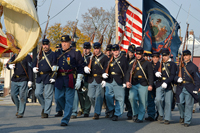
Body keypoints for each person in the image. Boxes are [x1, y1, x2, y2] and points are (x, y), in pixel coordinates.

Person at [54, 35, 84, 126]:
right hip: (59, 78)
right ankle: (68, 110)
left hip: (70, 77)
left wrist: (79, 80)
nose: (64, 44)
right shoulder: (57, 52)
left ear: (70, 43)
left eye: (66, 43)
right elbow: (53, 62)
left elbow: (80, 67)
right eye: (62, 43)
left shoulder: (76, 53)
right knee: (58, 97)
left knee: (69, 99)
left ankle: (65, 119)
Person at [126, 47, 154, 123]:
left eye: (139, 54)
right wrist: (127, 82)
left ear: (142, 54)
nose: (138, 55)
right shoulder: (133, 63)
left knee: (142, 101)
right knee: (131, 98)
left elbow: (151, 75)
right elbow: (128, 73)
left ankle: (140, 117)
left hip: (143, 84)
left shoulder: (147, 63)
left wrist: (150, 85)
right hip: (134, 83)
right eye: (137, 54)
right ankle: (135, 113)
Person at [175, 50, 200, 127]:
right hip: (180, 87)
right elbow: (175, 75)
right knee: (179, 103)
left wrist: (196, 88)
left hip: (189, 87)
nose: (185, 57)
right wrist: (177, 79)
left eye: (187, 55)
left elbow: (197, 78)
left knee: (189, 105)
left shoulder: (194, 67)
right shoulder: (180, 66)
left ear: (190, 56)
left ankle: (187, 120)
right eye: (184, 56)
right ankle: (182, 116)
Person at [84, 42, 109, 120]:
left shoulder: (105, 58)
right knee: (91, 96)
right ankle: (97, 109)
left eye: (97, 49)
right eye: (95, 49)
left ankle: (96, 113)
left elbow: (106, 69)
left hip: (100, 79)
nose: (96, 50)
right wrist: (85, 68)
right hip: (91, 79)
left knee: (99, 97)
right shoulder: (91, 58)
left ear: (100, 49)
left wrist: (104, 79)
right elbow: (86, 66)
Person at [7, 47, 33, 118]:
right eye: (18, 49)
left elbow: (30, 69)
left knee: (22, 96)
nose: (19, 50)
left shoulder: (27, 57)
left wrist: (30, 80)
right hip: (15, 79)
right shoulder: (14, 56)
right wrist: (9, 66)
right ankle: (19, 108)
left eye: (20, 49)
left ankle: (21, 112)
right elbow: (7, 64)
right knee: (13, 95)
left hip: (23, 79)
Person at [32, 39, 56, 118]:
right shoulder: (39, 54)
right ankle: (44, 106)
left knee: (48, 96)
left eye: (46, 45)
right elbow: (34, 63)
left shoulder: (53, 54)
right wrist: (34, 68)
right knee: (37, 93)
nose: (45, 46)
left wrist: (53, 76)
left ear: (49, 45)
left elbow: (55, 67)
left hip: (48, 76)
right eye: (43, 45)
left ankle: (46, 112)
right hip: (40, 77)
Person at [104, 44, 128, 121]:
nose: (115, 52)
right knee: (107, 95)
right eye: (114, 51)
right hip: (110, 80)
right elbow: (105, 69)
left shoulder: (123, 59)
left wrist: (125, 81)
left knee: (119, 98)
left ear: (119, 50)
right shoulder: (109, 59)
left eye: (116, 50)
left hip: (119, 80)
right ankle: (111, 109)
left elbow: (127, 71)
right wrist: (103, 76)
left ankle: (117, 114)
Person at [154, 48, 177, 124]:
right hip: (160, 83)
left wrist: (166, 82)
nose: (164, 57)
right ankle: (160, 113)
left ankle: (167, 118)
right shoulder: (159, 63)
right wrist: (156, 73)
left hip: (168, 84)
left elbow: (173, 75)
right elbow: (154, 69)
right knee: (158, 99)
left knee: (168, 102)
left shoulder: (173, 64)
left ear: (169, 55)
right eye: (163, 56)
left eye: (166, 56)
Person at [77, 42, 92, 117]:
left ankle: (86, 111)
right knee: (80, 94)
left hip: (88, 78)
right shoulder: (80, 57)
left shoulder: (92, 57)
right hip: (80, 78)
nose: (85, 50)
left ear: (90, 49)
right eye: (84, 48)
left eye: (87, 49)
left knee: (86, 95)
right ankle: (82, 108)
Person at [145, 51, 160, 121]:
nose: (155, 59)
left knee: (158, 100)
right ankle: (151, 115)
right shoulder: (148, 64)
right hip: (150, 84)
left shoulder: (161, 65)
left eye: (157, 57)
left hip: (159, 85)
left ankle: (159, 114)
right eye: (154, 57)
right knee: (150, 100)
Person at [125, 44, 135, 120]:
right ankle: (129, 109)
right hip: (125, 81)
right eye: (129, 52)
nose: (130, 54)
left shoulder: (135, 60)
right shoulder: (125, 59)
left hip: (133, 81)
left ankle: (131, 112)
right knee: (126, 97)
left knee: (131, 97)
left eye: (132, 52)